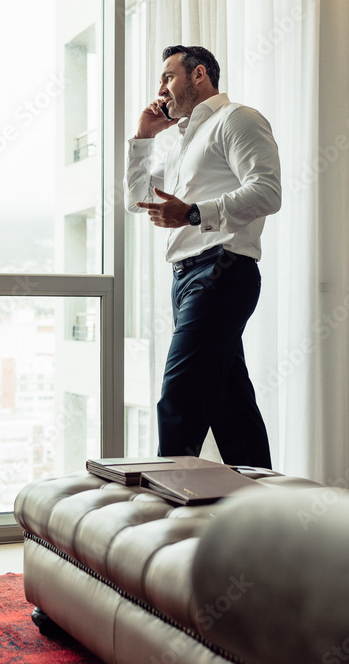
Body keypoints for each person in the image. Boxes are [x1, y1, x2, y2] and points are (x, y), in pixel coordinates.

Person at [125, 45, 280, 467]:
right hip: (186, 278)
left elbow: (267, 192)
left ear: (198, 76)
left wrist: (193, 212)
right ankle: (266, 509)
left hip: (222, 270)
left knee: (181, 398)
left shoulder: (238, 119)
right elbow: (137, 199)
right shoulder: (180, 143)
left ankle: (160, 520)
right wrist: (143, 137)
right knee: (232, 408)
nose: (161, 89)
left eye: (168, 77)